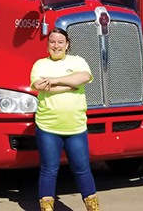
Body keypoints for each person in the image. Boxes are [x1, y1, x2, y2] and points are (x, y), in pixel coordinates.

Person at [30, 28, 99, 211]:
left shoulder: (78, 61)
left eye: (60, 42)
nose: (56, 46)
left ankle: (93, 208)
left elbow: (83, 77)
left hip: (76, 128)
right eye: (52, 42)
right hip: (48, 128)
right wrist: (68, 86)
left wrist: (53, 80)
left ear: (67, 45)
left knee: (83, 170)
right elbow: (39, 86)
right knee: (49, 170)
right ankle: (47, 208)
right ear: (47, 46)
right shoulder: (40, 64)